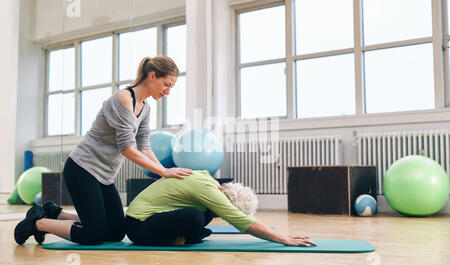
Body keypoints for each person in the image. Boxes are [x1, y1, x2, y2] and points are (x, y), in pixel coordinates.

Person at [14, 56, 192, 246]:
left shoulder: (145, 108)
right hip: (82, 169)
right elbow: (127, 149)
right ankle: (37, 222)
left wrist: (166, 173)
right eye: (166, 84)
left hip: (104, 177)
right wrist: (164, 171)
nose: (168, 91)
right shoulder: (123, 99)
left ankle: (54, 213)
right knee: (95, 234)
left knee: (116, 232)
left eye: (171, 87)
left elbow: (144, 147)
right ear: (152, 76)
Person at [125, 170, 318, 247]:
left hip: (155, 219)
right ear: (228, 202)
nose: (222, 216)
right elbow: (242, 221)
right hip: (139, 228)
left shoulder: (210, 181)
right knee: (195, 216)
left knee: (203, 214)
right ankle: (187, 237)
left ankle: (185, 237)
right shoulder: (209, 192)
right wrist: (282, 238)